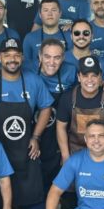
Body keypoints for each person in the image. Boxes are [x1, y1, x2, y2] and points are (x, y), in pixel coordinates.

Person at [0, 38, 54, 209]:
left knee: (34, 188)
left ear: (22, 57)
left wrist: (36, 136)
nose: (12, 59)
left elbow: (46, 107)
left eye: (16, 55)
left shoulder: (33, 81)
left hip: (26, 147)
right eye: (7, 55)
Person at [31, 39, 77, 200]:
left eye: (57, 57)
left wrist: (103, 82)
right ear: (39, 56)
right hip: (33, 131)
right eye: (47, 56)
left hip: (60, 131)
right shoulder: (27, 69)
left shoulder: (71, 71)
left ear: (63, 58)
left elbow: (85, 86)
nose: (51, 62)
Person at [57, 56, 104, 158]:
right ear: (79, 77)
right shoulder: (67, 98)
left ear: (100, 77)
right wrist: (65, 157)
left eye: (94, 75)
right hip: (76, 152)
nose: (90, 80)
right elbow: (60, 127)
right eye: (85, 76)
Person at [23, 0, 72, 66]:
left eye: (53, 10)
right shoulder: (30, 38)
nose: (49, 14)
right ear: (40, 15)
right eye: (46, 10)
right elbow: (26, 66)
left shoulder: (70, 36)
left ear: (60, 13)